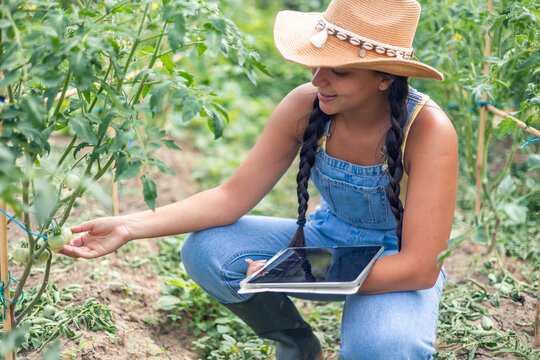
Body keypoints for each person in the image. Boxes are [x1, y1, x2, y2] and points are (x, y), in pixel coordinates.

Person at [61, 0, 458, 358]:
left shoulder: (427, 131)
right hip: (327, 234)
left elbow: (419, 267)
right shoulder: (306, 106)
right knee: (208, 250)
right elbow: (230, 198)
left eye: (339, 71)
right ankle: (298, 345)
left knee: (385, 348)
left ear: (385, 77)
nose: (318, 79)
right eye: (316, 62)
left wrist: (297, 273)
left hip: (395, 258)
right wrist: (127, 226)